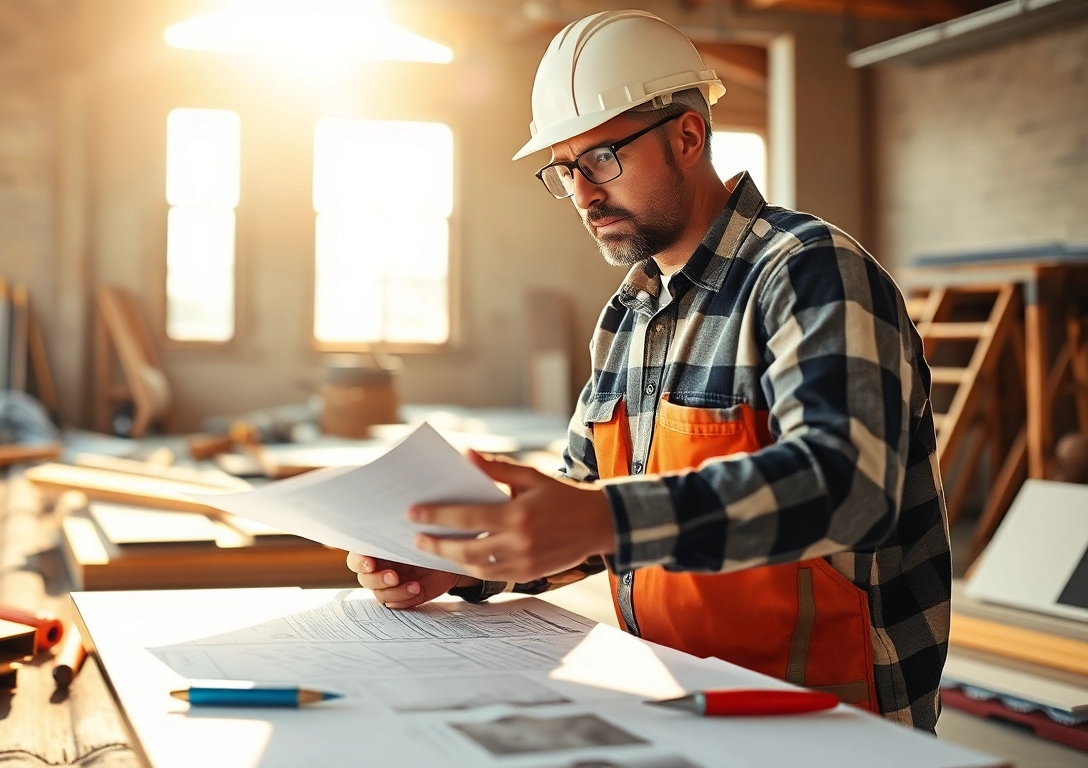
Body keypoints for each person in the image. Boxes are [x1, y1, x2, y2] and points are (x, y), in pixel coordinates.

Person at [347, 9, 951, 732]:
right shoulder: (625, 318)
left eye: (601, 159)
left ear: (688, 137)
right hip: (679, 708)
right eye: (565, 169)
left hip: (833, 724)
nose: (582, 193)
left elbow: (848, 488)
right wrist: (473, 563)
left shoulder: (808, 270)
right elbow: (586, 507)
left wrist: (602, 514)